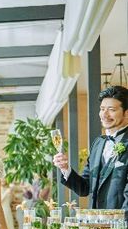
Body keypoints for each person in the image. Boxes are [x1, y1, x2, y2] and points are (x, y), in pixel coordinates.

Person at [54, 85, 128, 215]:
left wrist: (121, 224)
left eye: (111, 109)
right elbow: (84, 188)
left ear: (126, 113)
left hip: (121, 224)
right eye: (102, 109)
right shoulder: (98, 144)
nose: (105, 114)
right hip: (97, 222)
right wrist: (65, 168)